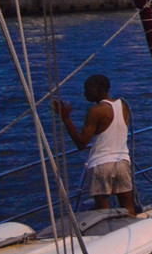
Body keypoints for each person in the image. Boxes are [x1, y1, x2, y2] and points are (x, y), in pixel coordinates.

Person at [53, 74, 137, 214]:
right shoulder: (122, 106)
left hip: (101, 165)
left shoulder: (95, 111)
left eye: (87, 89)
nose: (84, 93)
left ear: (98, 89)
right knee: (128, 206)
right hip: (122, 162)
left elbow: (81, 143)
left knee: (104, 212)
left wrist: (66, 118)